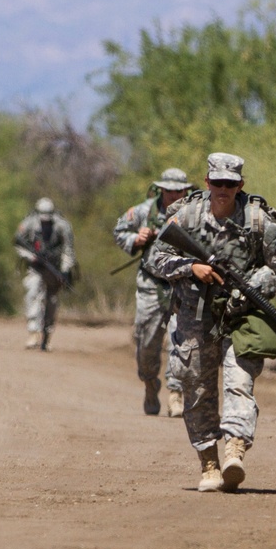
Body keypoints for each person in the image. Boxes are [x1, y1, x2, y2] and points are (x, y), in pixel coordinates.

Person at [147, 152, 276, 493]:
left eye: (230, 184)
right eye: (217, 183)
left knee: (239, 381)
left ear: (240, 185)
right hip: (192, 316)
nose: (223, 190)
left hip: (241, 316)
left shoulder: (259, 220)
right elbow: (156, 260)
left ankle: (234, 449)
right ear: (207, 182)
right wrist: (192, 268)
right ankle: (209, 464)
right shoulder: (185, 215)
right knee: (195, 388)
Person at [113, 168, 192, 418]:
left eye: (178, 191)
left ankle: (176, 393)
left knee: (183, 341)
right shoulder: (143, 211)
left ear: (185, 191)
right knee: (146, 342)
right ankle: (149, 383)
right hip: (151, 284)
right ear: (161, 190)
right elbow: (119, 231)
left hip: (183, 284)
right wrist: (137, 238)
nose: (173, 195)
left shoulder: (195, 212)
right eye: (168, 191)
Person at [14, 197, 76, 351]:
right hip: (35, 268)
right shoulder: (29, 223)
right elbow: (18, 243)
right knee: (33, 293)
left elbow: (68, 250)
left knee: (52, 302)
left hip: (54, 270)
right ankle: (33, 331)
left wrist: (65, 271)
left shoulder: (63, 226)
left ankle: (46, 336)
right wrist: (31, 256)